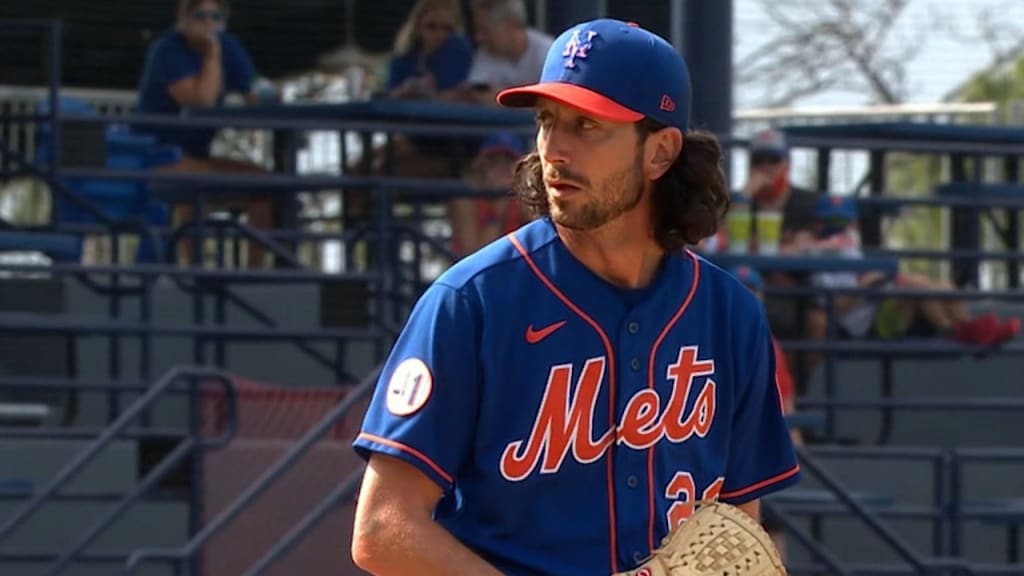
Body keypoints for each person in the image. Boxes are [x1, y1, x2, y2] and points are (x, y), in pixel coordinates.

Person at [351, 19, 800, 576]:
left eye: (586, 125)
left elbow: (736, 536)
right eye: (547, 121)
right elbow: (383, 529)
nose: (554, 149)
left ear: (660, 152)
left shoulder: (730, 316)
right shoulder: (472, 302)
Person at [135, 0, 275, 266]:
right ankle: (192, 271)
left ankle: (255, 276)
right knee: (192, 190)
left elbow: (255, 94)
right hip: (154, 157)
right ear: (183, 18)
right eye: (200, 16)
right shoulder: (168, 49)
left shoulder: (229, 46)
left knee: (263, 184)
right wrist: (212, 53)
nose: (209, 23)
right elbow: (200, 101)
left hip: (195, 157)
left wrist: (263, 94)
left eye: (217, 16)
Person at [805, 195, 1020, 347]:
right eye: (831, 222)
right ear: (816, 224)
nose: (838, 229)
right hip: (864, 325)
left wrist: (876, 281)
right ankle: (960, 334)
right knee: (913, 284)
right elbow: (834, 309)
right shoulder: (816, 258)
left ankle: (969, 332)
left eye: (843, 222)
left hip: (883, 303)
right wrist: (866, 286)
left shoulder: (851, 250)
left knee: (945, 286)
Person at [730, 264, 802, 561]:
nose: (749, 298)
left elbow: (787, 409)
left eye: (753, 291)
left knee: (770, 524)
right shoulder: (704, 337)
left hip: (754, 460)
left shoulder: (767, 345)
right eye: (743, 291)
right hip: (715, 466)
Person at [448, 0, 553, 106]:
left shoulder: (549, 53)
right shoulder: (486, 53)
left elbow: (556, 106)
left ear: (509, 25)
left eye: (484, 30)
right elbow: (475, 93)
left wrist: (506, 101)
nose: (479, 37)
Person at [450, 132, 529, 258]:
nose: (501, 170)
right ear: (482, 166)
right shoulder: (465, 199)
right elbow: (473, 258)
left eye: (508, 163)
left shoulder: (523, 198)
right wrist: (496, 214)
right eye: (495, 162)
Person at [386, 0, 475, 101]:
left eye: (447, 28)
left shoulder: (460, 51)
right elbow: (389, 95)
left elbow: (458, 96)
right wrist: (404, 91)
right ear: (418, 26)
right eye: (431, 26)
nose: (439, 34)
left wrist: (429, 95)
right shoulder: (404, 50)